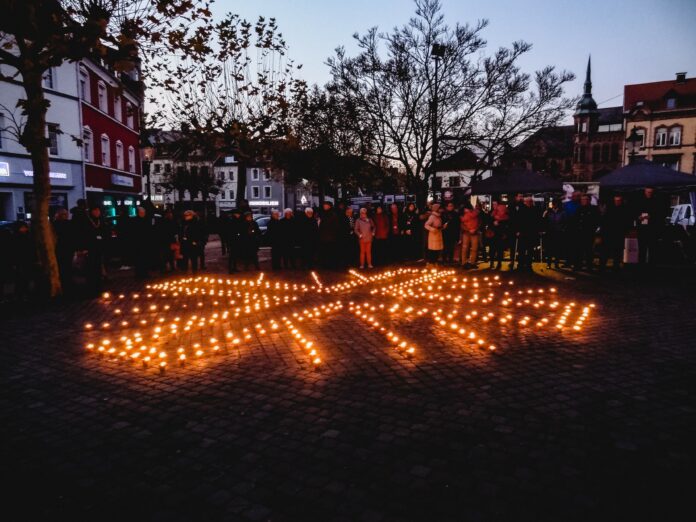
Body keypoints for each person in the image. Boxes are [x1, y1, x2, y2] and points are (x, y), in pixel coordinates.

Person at [79, 206, 109, 295]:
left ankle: (98, 286)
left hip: (99, 248)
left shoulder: (100, 220)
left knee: (98, 267)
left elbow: (104, 231)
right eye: (95, 211)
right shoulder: (87, 221)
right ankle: (92, 288)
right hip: (90, 248)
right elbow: (84, 235)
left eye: (98, 211)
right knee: (91, 268)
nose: (97, 212)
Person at [600, 195, 634, 271]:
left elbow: (628, 222)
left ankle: (615, 267)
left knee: (617, 252)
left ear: (621, 201)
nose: (617, 202)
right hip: (608, 234)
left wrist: (625, 231)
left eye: (619, 200)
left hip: (619, 234)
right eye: (615, 200)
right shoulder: (609, 209)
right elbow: (604, 221)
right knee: (605, 251)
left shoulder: (625, 210)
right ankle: (602, 267)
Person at [570, 194, 600, 272]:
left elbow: (597, 221)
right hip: (579, 233)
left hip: (589, 233)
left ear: (589, 200)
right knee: (578, 250)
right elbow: (575, 221)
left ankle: (589, 267)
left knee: (588, 251)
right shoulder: (579, 209)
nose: (584, 201)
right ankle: (578, 266)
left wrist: (593, 230)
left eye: (586, 199)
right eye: (582, 199)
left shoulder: (594, 209)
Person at [635, 187, 665, 265]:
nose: (649, 194)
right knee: (642, 249)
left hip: (652, 230)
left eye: (651, 192)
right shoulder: (639, 201)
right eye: (648, 192)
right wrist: (638, 217)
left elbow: (660, 214)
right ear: (645, 192)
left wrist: (652, 217)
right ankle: (641, 266)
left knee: (652, 249)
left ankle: (651, 267)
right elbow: (634, 213)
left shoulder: (656, 202)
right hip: (642, 229)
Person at [514, 196, 542, 271]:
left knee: (530, 250)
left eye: (530, 201)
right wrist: (517, 230)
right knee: (521, 250)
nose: (529, 203)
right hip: (523, 232)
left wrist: (538, 230)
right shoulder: (521, 209)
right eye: (528, 201)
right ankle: (520, 265)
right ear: (525, 202)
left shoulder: (535, 209)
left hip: (531, 232)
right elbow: (518, 220)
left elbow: (537, 221)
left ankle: (529, 265)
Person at [53, 208, 75, 291]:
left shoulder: (55, 224)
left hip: (62, 248)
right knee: (66, 267)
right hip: (64, 248)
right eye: (64, 214)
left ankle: (65, 283)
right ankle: (67, 284)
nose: (66, 216)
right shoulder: (67, 224)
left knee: (64, 267)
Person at [12, 221, 35, 298]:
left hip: (26, 260)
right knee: (21, 277)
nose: (25, 228)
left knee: (25, 277)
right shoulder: (17, 237)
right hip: (21, 260)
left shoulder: (26, 236)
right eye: (23, 227)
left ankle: (22, 292)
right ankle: (20, 293)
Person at [129, 206, 153, 278]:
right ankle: (139, 274)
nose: (143, 214)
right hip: (138, 243)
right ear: (138, 213)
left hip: (145, 243)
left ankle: (145, 273)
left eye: (144, 212)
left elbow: (149, 231)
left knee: (146, 259)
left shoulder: (146, 220)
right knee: (139, 259)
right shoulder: (135, 221)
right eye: (141, 212)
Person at [542, 199, 566, 269]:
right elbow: (544, 222)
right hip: (550, 233)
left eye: (555, 204)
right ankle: (549, 264)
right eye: (553, 204)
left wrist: (562, 229)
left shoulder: (562, 212)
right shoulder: (548, 212)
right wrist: (544, 216)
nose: (553, 205)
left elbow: (565, 222)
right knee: (549, 249)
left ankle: (556, 264)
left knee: (557, 249)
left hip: (558, 233)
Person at [155, 209, 179, 273]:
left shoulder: (170, 221)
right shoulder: (163, 222)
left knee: (170, 255)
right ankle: (164, 268)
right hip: (164, 241)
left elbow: (174, 231)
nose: (171, 215)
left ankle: (170, 267)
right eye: (169, 213)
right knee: (165, 255)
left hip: (168, 241)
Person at [318, 201, 340, 269]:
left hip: (330, 236)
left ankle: (331, 264)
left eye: (326, 205)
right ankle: (325, 264)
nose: (324, 206)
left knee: (330, 251)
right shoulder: (322, 214)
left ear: (329, 206)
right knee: (324, 251)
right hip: (324, 236)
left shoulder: (333, 214)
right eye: (324, 205)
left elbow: (335, 225)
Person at [460, 202, 482, 269]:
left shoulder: (463, 215)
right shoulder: (476, 214)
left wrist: (470, 229)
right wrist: (474, 229)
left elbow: (462, 224)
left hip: (468, 232)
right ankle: (469, 262)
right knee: (471, 248)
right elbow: (479, 223)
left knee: (467, 248)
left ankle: (466, 263)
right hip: (470, 232)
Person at [489, 200, 509, 270]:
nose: (494, 206)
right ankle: (491, 263)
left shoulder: (504, 214)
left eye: (495, 204)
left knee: (499, 249)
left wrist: (499, 223)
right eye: (493, 204)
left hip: (500, 233)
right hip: (492, 233)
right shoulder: (491, 213)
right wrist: (493, 223)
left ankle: (499, 263)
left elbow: (506, 223)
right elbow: (488, 221)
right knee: (492, 249)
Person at [225, 209, 244, 273]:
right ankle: (230, 269)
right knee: (232, 256)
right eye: (238, 214)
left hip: (236, 240)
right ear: (235, 214)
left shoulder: (237, 220)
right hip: (233, 241)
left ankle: (234, 268)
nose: (239, 215)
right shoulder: (232, 221)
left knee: (235, 255)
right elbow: (230, 231)